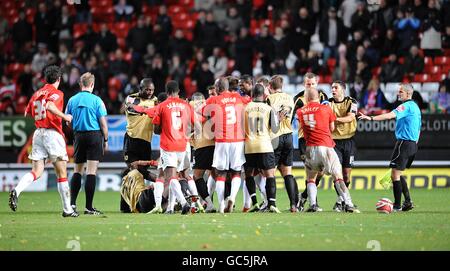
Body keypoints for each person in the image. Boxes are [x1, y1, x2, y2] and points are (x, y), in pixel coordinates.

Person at [9, 65, 77, 217]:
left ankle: (17, 190)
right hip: (52, 134)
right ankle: (67, 210)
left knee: (36, 171)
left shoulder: (36, 93)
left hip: (38, 133)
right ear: (59, 79)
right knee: (62, 173)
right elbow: (50, 105)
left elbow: (28, 112)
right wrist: (65, 117)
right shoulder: (57, 93)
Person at [359, 83, 420, 212]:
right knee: (398, 173)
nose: (399, 93)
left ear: (408, 94)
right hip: (413, 144)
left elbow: (390, 115)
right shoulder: (415, 107)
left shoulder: (406, 106)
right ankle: (407, 201)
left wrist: (370, 118)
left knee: (395, 174)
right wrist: (414, 143)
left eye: (401, 91)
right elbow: (419, 128)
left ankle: (397, 206)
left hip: (404, 143)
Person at [297, 88, 359, 213]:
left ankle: (313, 204)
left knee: (311, 178)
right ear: (318, 97)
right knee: (338, 176)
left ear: (307, 98)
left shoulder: (300, 111)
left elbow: (302, 128)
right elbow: (331, 127)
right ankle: (348, 203)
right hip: (325, 147)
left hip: (310, 149)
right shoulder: (326, 109)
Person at [66, 72, 108, 215]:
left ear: (80, 84)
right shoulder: (97, 100)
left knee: (77, 170)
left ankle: (71, 205)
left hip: (78, 135)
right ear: (92, 84)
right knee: (91, 171)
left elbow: (68, 121)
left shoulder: (72, 100)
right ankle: (88, 207)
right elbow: (103, 124)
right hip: (94, 135)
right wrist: (106, 140)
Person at [149, 80, 193, 214]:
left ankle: (184, 202)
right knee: (177, 176)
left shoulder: (162, 106)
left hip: (168, 145)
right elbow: (191, 125)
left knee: (170, 177)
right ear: (178, 91)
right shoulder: (186, 105)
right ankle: (170, 207)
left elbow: (156, 130)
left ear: (166, 92)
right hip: (182, 145)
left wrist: (164, 127)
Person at [203, 77, 247, 213]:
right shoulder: (239, 98)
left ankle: (221, 203)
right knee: (236, 172)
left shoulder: (213, 100)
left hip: (222, 140)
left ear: (217, 88)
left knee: (220, 174)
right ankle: (232, 197)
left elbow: (203, 113)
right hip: (238, 140)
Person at [120, 78, 158, 212]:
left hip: (146, 141)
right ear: (140, 89)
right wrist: (148, 110)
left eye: (152, 90)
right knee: (134, 169)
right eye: (147, 89)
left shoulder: (155, 100)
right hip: (132, 139)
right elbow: (131, 110)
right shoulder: (131, 98)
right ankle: (159, 181)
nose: (149, 92)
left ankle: (127, 205)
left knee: (138, 173)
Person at [293, 72, 329, 211]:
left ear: (317, 83)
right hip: (305, 139)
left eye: (313, 84)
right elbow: (291, 119)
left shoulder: (323, 96)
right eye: (308, 84)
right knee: (310, 171)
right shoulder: (299, 99)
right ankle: (313, 203)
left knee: (321, 172)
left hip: (321, 138)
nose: (311, 86)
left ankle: (303, 196)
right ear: (304, 84)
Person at [244, 83, 280, 213]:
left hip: (249, 147)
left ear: (252, 95)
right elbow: (275, 129)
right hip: (265, 145)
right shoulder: (268, 108)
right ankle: (272, 204)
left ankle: (254, 203)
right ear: (263, 95)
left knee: (249, 174)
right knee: (270, 175)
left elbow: (242, 128)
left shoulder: (246, 108)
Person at [266, 75, 297, 212]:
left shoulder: (269, 99)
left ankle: (271, 204)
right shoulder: (290, 97)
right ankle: (293, 205)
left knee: (270, 173)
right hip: (289, 136)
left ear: (270, 87)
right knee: (287, 172)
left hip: (275, 137)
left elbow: (268, 120)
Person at [329, 80, 358, 212]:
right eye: (332, 88)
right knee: (337, 173)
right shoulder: (328, 103)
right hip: (334, 142)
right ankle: (346, 200)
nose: (333, 90)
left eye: (335, 88)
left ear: (343, 90)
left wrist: (334, 119)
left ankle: (340, 200)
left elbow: (351, 117)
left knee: (346, 175)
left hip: (349, 141)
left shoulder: (352, 102)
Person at [190, 92, 216, 212]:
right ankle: (224, 202)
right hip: (214, 144)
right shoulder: (208, 105)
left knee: (197, 176)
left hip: (201, 145)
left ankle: (209, 203)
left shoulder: (190, 105)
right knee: (217, 175)